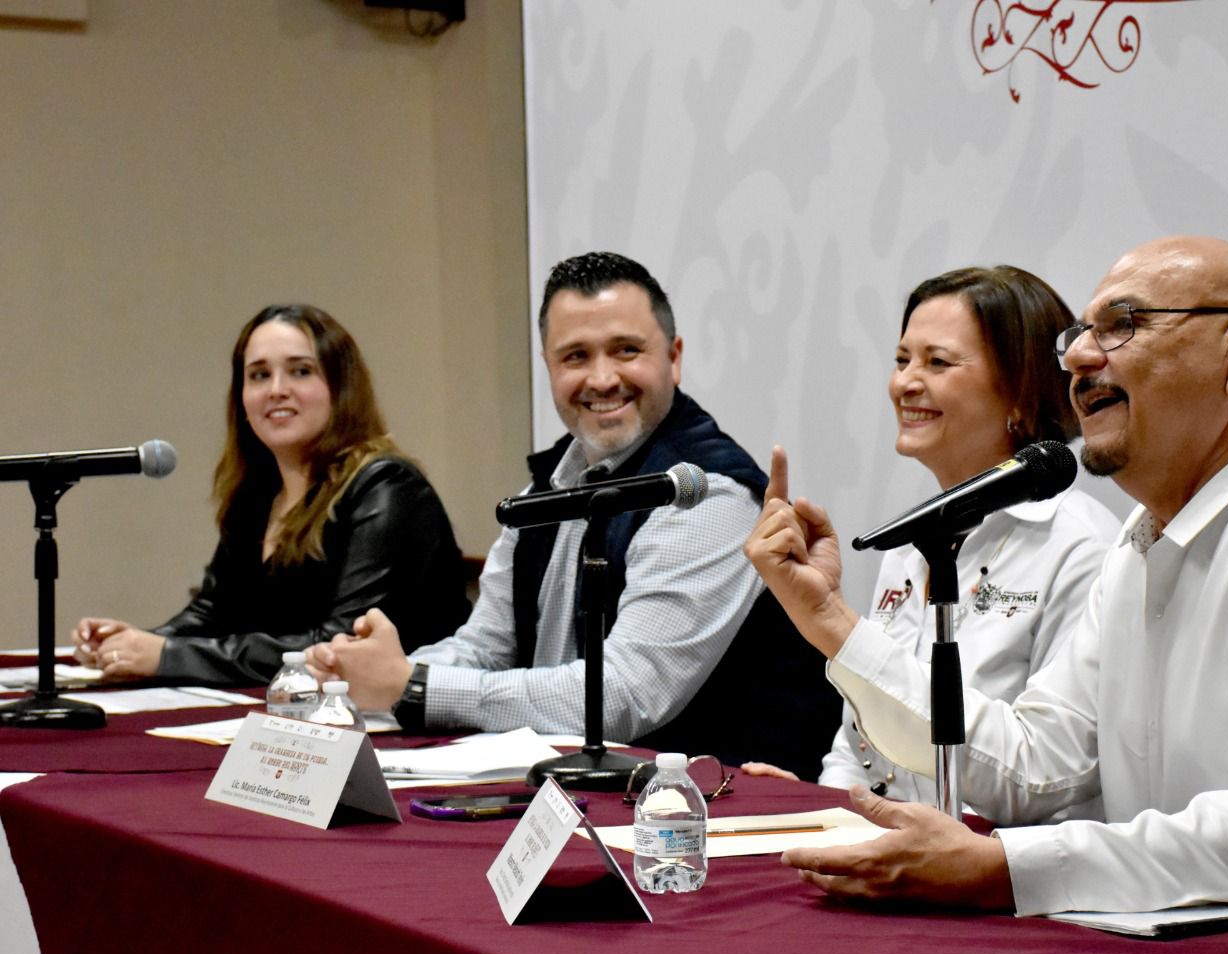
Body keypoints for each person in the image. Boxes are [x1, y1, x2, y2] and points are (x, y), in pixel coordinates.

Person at [746, 235, 1228, 919]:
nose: (1078, 358)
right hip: (1200, 944)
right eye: (1079, 336)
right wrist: (830, 623)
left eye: (1122, 325)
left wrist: (1007, 869)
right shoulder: (1139, 544)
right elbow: (1034, 766)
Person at [311, 252, 837, 776]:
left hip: (716, 809)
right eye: (576, 357)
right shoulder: (551, 486)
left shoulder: (706, 492)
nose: (602, 378)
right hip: (578, 794)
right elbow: (486, 647)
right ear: (549, 366)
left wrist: (413, 687)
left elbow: (624, 694)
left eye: (626, 350)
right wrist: (364, 672)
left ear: (674, 358)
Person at [744, 266, 1119, 805]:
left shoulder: (1080, 546)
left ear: (1021, 390)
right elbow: (859, 746)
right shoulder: (915, 539)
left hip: (1002, 854)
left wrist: (831, 620)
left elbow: (1040, 779)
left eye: (937, 362)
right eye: (902, 360)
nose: (904, 383)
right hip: (892, 844)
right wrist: (823, 806)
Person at [73, 304, 469, 686]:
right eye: (259, 375)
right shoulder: (257, 493)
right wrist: (131, 644)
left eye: (300, 371)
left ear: (341, 388)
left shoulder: (387, 487)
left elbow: (338, 647)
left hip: (396, 717)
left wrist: (167, 655)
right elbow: (213, 612)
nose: (277, 390)